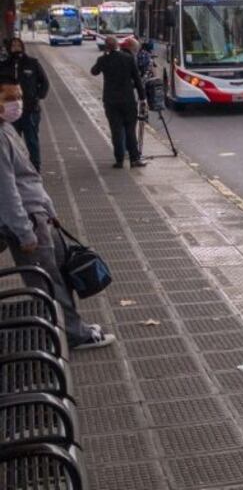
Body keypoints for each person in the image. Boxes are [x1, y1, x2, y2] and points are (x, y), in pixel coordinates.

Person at [0, 75, 115, 349]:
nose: (16, 103)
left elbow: (27, 177)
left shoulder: (6, 128)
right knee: (48, 281)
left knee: (61, 272)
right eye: (8, 98)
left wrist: (49, 210)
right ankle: (73, 334)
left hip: (38, 215)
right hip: (28, 221)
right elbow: (7, 191)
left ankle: (69, 327)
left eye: (18, 96)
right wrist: (25, 232)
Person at [91, 35, 147, 168]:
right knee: (130, 130)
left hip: (111, 101)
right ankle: (134, 159)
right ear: (117, 45)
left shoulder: (103, 59)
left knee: (116, 131)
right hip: (127, 100)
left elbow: (94, 72)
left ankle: (119, 160)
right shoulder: (128, 58)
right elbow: (137, 79)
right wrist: (142, 98)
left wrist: (104, 55)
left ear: (106, 46)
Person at [0, 37, 49, 171]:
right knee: (12, 142)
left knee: (32, 140)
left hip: (29, 109)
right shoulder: (4, 65)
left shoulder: (32, 63)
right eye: (13, 45)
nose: (16, 47)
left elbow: (44, 82)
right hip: (10, 111)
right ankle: (16, 168)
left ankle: (35, 168)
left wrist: (37, 96)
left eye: (18, 45)